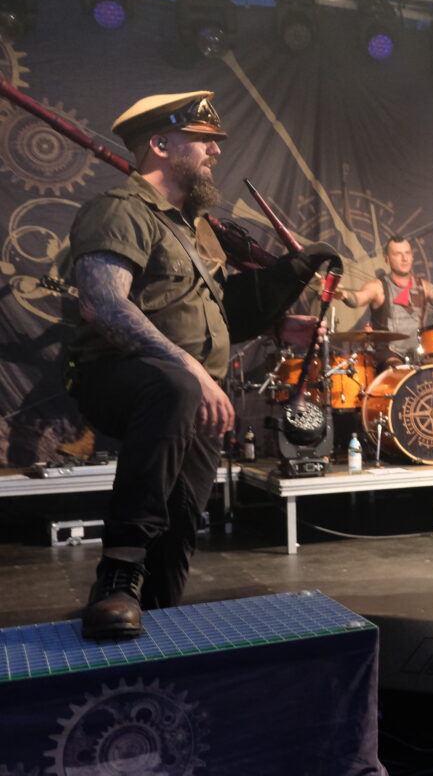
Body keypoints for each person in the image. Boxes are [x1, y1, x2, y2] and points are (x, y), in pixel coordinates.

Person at [68, 91, 321, 639]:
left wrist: (280, 327)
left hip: (188, 392)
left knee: (181, 522)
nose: (215, 151)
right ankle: (116, 577)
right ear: (160, 144)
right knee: (176, 387)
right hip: (124, 376)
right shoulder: (120, 209)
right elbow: (103, 305)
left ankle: (157, 615)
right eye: (204, 140)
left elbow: (210, 310)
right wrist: (191, 369)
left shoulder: (193, 228)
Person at [335, 236, 433, 362]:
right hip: (388, 355)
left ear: (412, 256)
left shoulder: (424, 287)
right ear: (387, 259)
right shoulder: (378, 286)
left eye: (407, 253)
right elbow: (358, 299)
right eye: (398, 254)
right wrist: (344, 295)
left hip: (418, 354)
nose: (404, 258)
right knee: (397, 369)